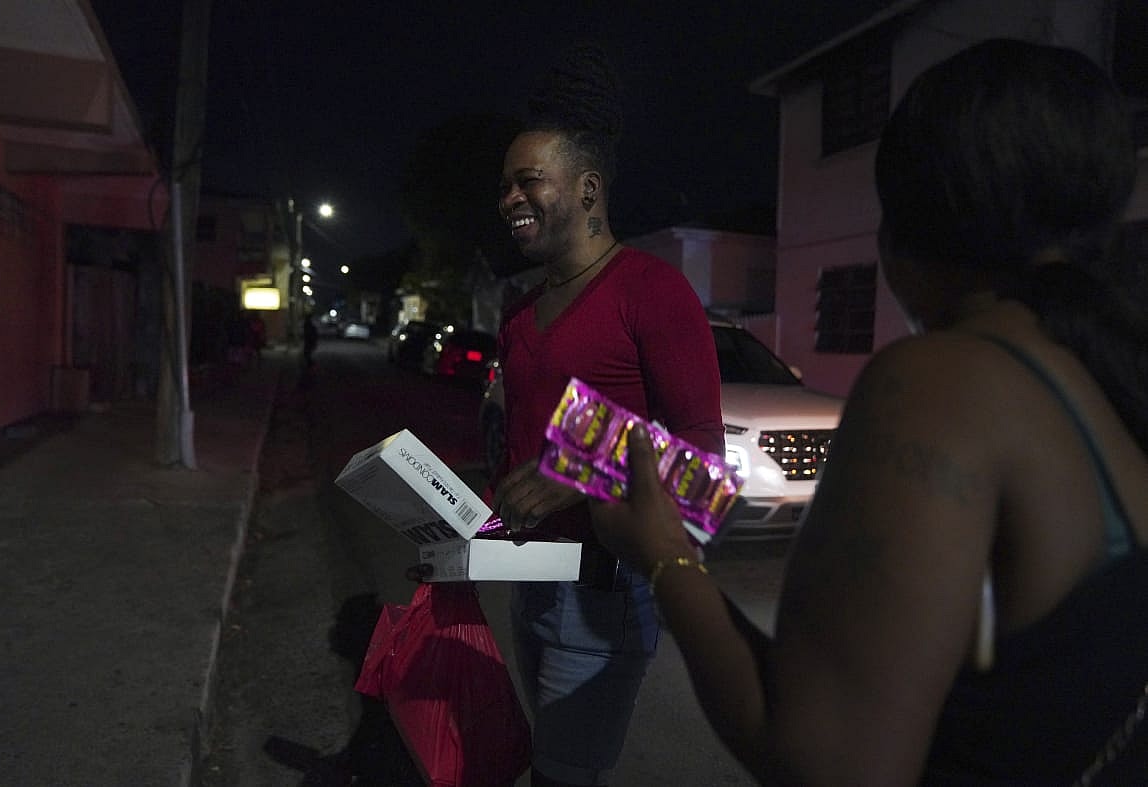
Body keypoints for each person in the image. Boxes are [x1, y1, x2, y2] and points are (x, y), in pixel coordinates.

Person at [588, 39, 1148, 786]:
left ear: (903, 229)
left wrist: (665, 556)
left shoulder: (941, 382)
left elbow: (822, 758)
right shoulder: (1107, 382)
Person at [491, 43, 724, 787]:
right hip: (527, 579)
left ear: (588, 188)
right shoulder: (518, 312)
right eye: (505, 186)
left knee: (559, 776)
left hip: (604, 591)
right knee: (545, 763)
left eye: (528, 181)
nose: (509, 199)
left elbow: (706, 467)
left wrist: (577, 471)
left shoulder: (654, 292)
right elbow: (518, 450)